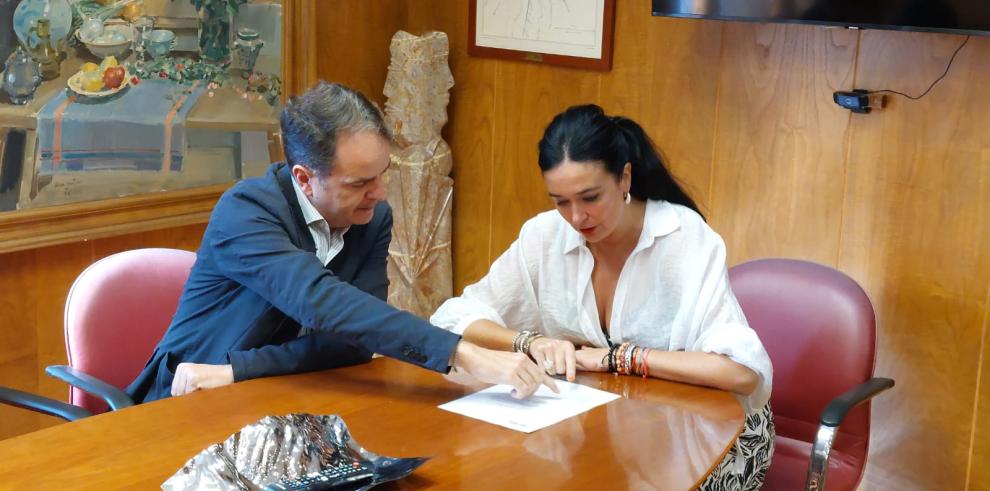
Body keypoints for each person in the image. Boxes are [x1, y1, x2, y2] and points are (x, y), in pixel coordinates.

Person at [126, 82, 558, 404]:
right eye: (360, 182)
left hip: (279, 394)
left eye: (382, 174)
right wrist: (462, 353)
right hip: (186, 398)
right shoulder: (246, 212)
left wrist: (239, 371)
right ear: (304, 179)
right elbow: (320, 302)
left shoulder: (371, 217)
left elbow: (351, 341)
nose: (381, 193)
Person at [430, 104, 774, 489]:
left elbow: (741, 372)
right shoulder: (544, 236)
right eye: (560, 201)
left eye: (590, 197)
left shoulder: (683, 238)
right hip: (603, 425)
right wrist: (530, 341)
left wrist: (616, 358)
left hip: (708, 437)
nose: (576, 218)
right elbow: (453, 317)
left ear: (624, 178)